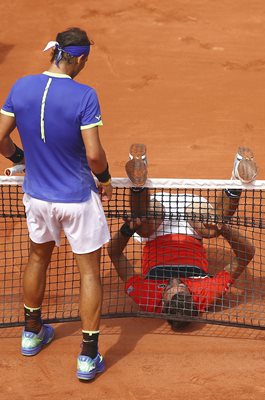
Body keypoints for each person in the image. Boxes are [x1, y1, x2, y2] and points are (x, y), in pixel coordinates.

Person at [0, 27, 112, 381]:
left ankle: (31, 333)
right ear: (77, 58)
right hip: (77, 199)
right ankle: (87, 356)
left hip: (37, 197)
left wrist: (19, 157)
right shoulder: (85, 95)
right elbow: (93, 155)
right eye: (86, 61)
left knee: (37, 258)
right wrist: (106, 179)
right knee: (89, 273)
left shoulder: (21, 86)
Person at [107, 144, 257, 329]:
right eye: (184, 293)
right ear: (193, 301)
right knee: (212, 229)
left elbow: (114, 254)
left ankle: (139, 181)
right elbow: (246, 254)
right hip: (193, 222)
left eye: (171, 292)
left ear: (164, 304)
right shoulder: (206, 295)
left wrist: (128, 228)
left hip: (156, 224)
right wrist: (224, 229)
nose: (177, 285)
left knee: (142, 228)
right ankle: (236, 177)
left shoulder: (147, 297)